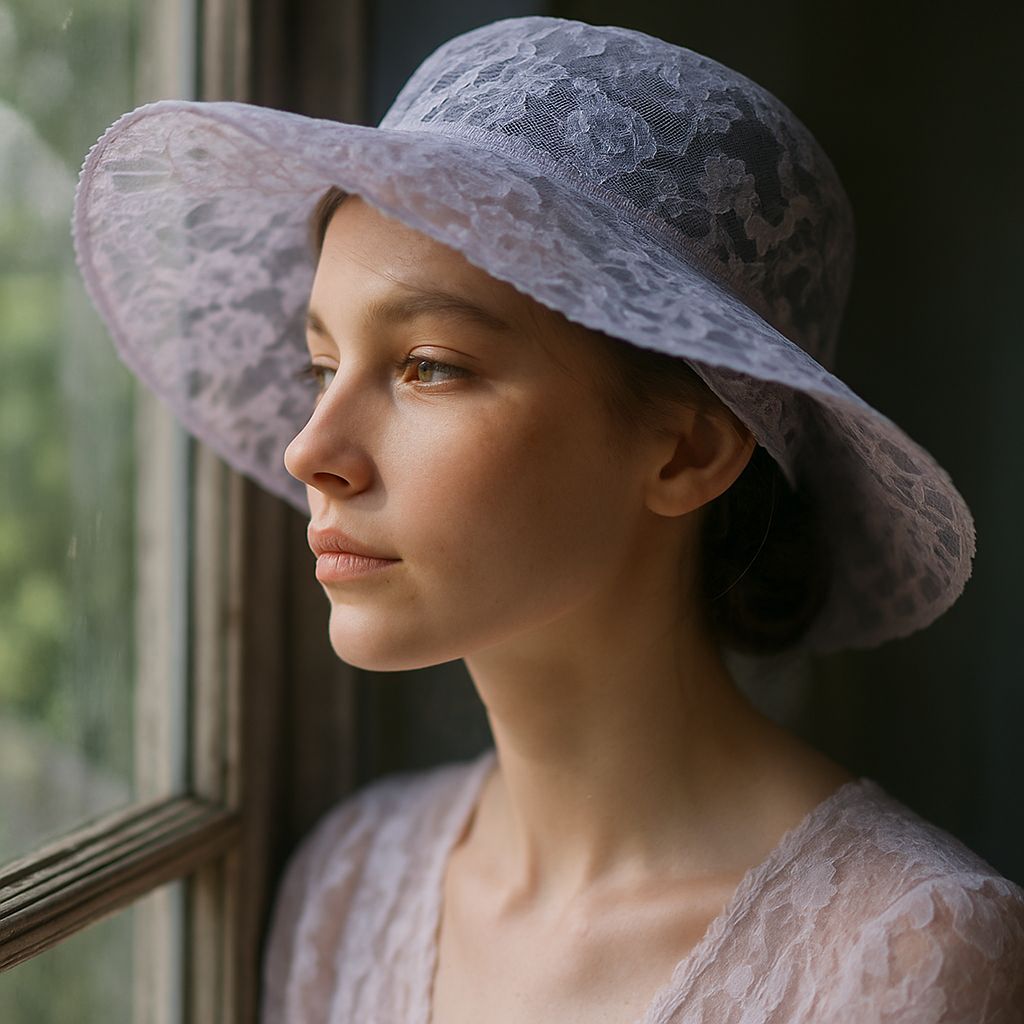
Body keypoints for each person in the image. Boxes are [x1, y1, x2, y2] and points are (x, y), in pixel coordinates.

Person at [71, 15, 1023, 1023]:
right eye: (320, 366)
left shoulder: (909, 954)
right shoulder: (350, 882)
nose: (310, 449)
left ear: (688, 449)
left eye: (428, 366)